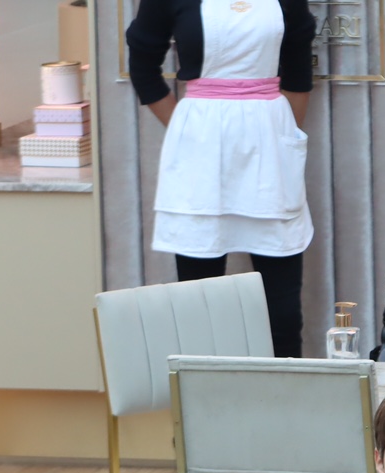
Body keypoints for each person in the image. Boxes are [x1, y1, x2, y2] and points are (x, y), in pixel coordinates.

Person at [127, 0, 316, 357]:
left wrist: (281, 137)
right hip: (201, 148)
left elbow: (297, 71)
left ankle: (287, 403)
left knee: (283, 314)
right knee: (200, 304)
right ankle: (206, 406)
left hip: (269, 149)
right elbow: (142, 62)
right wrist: (187, 130)